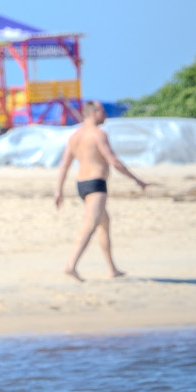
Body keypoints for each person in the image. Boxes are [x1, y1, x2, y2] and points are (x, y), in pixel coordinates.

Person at [55, 100, 147, 279]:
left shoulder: (74, 136)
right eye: (102, 112)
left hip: (82, 185)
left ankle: (112, 269)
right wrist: (136, 179)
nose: (105, 115)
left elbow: (64, 165)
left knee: (104, 222)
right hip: (96, 185)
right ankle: (71, 265)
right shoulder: (98, 134)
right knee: (90, 225)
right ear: (93, 113)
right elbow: (114, 161)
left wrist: (59, 190)